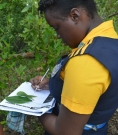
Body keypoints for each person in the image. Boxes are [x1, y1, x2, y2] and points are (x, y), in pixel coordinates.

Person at [30, 0, 118, 135]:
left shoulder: (86, 62)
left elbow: (65, 131)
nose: (58, 36)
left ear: (75, 16)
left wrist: (36, 109)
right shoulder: (111, 40)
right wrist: (53, 84)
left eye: (57, 27)